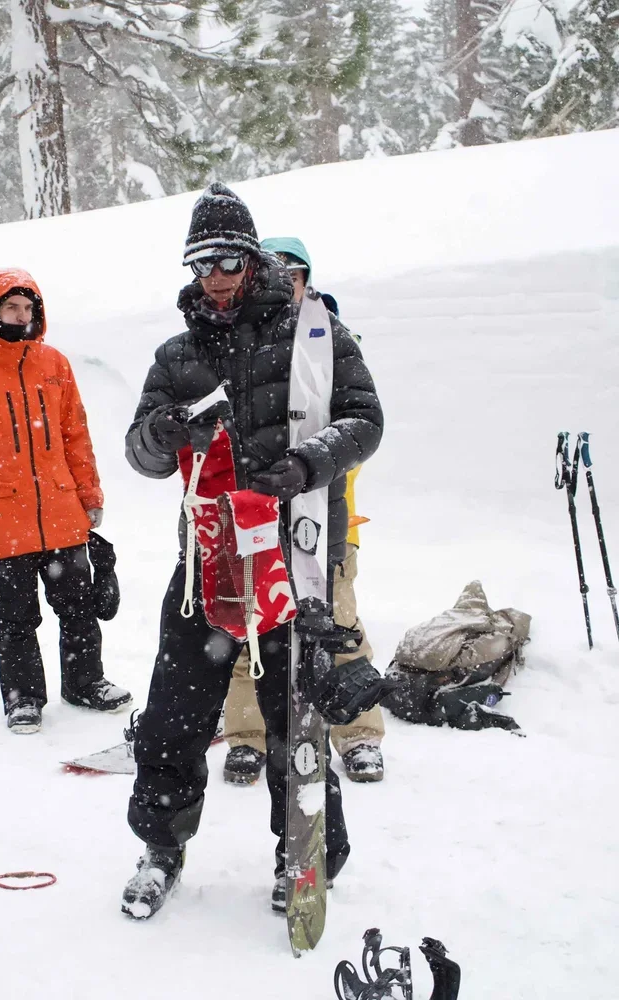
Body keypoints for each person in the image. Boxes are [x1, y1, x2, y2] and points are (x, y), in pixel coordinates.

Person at [119, 184, 384, 918]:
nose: (216, 275)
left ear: (253, 255)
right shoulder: (176, 354)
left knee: (295, 712)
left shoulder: (314, 333)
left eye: (228, 258)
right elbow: (139, 453)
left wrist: (308, 465)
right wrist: (164, 433)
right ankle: (161, 847)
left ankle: (304, 851)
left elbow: (366, 418)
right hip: (208, 559)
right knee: (174, 714)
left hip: (293, 556)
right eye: (202, 262)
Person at [218, 236, 386, 786]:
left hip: (329, 522)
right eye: (276, 270)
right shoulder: (243, 342)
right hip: (259, 523)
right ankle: (248, 735)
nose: (286, 281)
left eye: (296, 273)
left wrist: (312, 465)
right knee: (251, 630)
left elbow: (360, 425)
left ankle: (359, 733)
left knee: (337, 627)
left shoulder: (327, 340)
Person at [0, 267, 132, 733]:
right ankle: (23, 698)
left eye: (28, 308)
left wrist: (89, 493)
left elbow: (75, 435)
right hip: (1, 521)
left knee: (79, 608)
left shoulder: (55, 364)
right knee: (15, 618)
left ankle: (85, 682)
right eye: (11, 307)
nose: (21, 315)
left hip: (62, 513)